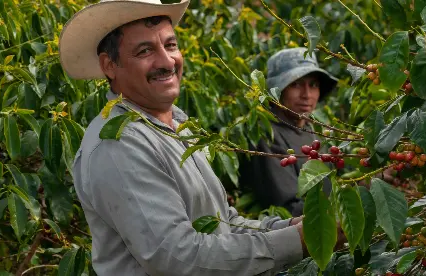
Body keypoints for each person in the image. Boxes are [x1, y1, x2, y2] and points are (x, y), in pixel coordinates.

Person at [60, 0, 343, 275]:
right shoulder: (119, 144)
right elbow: (178, 257)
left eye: (170, 45)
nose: (166, 60)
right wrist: (300, 241)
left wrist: (300, 227)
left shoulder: (176, 125)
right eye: (145, 51)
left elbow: (221, 223)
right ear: (109, 65)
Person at [239, 47, 338, 217]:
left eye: (313, 85)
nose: (306, 95)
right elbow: (290, 208)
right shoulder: (267, 135)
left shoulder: (314, 129)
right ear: (277, 90)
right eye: (295, 84)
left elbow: (337, 181)